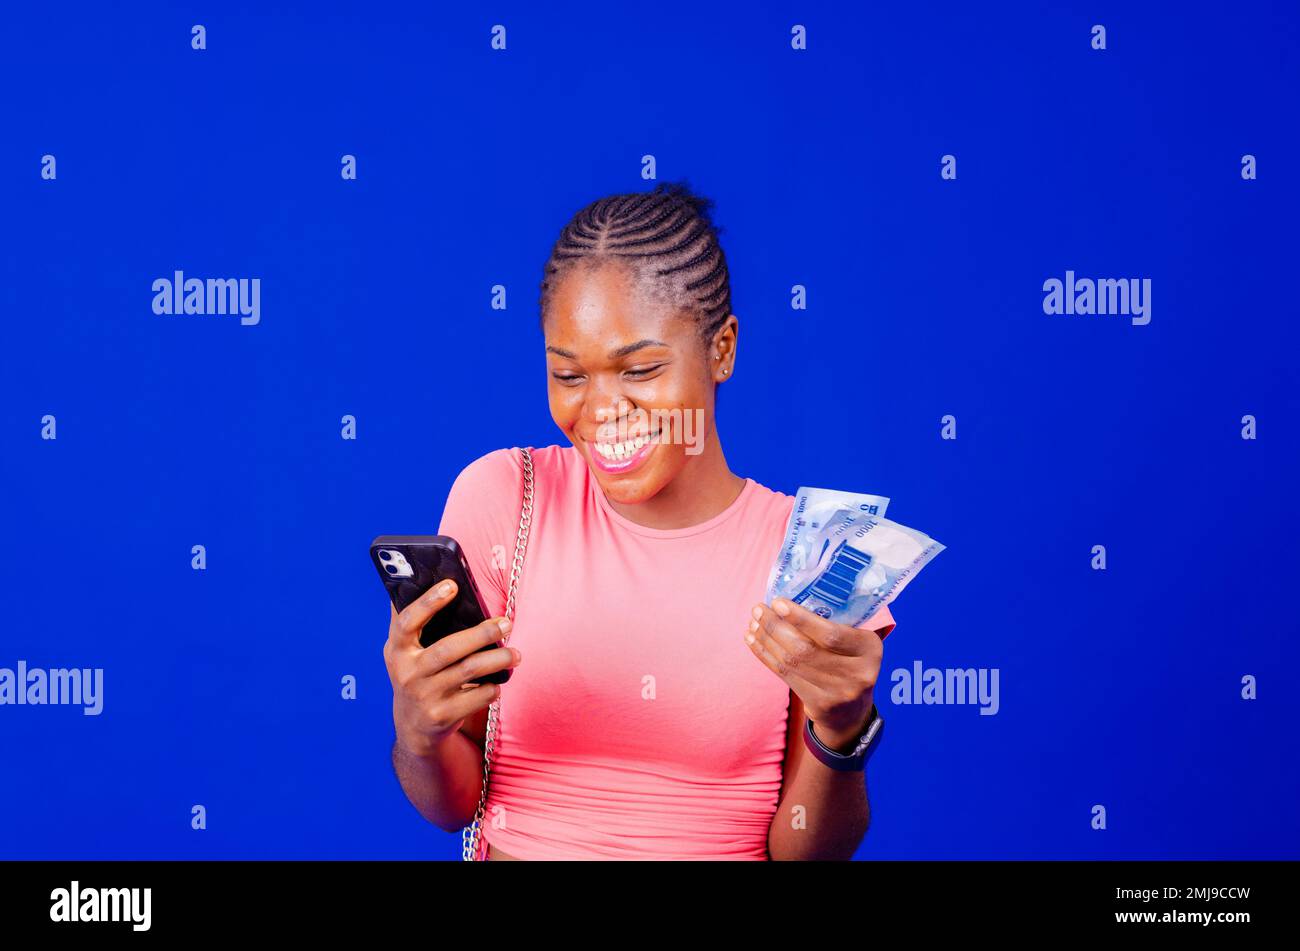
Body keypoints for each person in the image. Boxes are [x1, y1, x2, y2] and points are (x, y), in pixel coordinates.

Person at [384, 181, 896, 860]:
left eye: (641, 368)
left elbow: (809, 852)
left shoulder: (815, 555)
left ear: (723, 349)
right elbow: (452, 806)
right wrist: (419, 729)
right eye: (569, 376)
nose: (600, 410)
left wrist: (842, 728)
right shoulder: (504, 497)